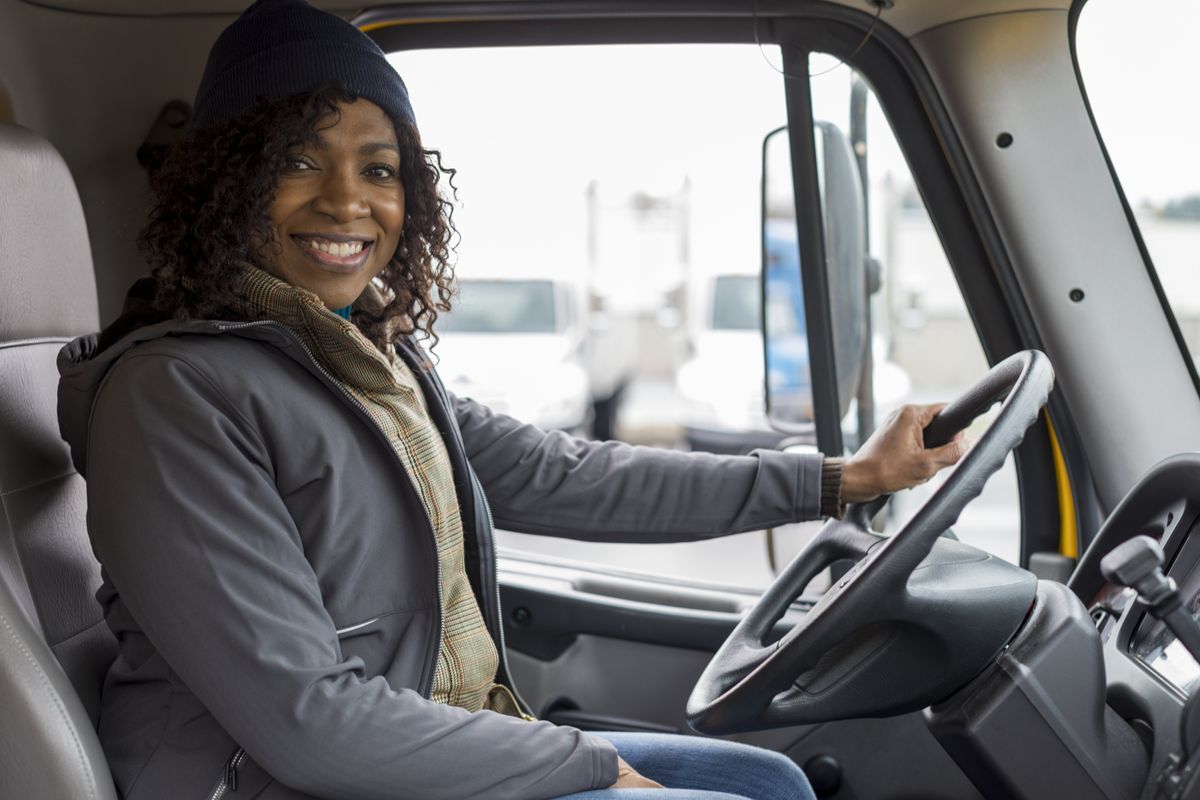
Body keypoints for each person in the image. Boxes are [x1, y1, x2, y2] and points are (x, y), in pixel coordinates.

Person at [56, 2, 969, 798]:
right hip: (284, 782)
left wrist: (836, 480)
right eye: (297, 161)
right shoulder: (170, 395)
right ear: (228, 181)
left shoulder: (367, 361)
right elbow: (309, 725)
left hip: (416, 749)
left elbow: (568, 475)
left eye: (379, 169)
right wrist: (582, 762)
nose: (347, 201)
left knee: (764, 778)